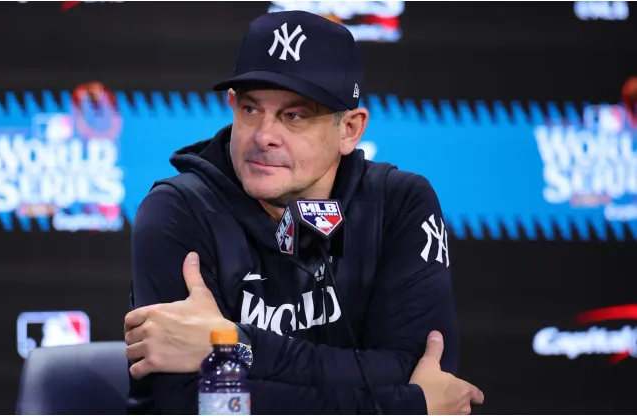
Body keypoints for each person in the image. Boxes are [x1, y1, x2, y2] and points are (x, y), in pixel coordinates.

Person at [124, 9, 484, 415]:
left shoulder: (399, 204)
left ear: (349, 129)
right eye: (250, 109)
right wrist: (400, 407)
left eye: (294, 116)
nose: (264, 136)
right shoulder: (177, 211)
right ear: (231, 105)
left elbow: (419, 370)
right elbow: (198, 404)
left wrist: (234, 345)